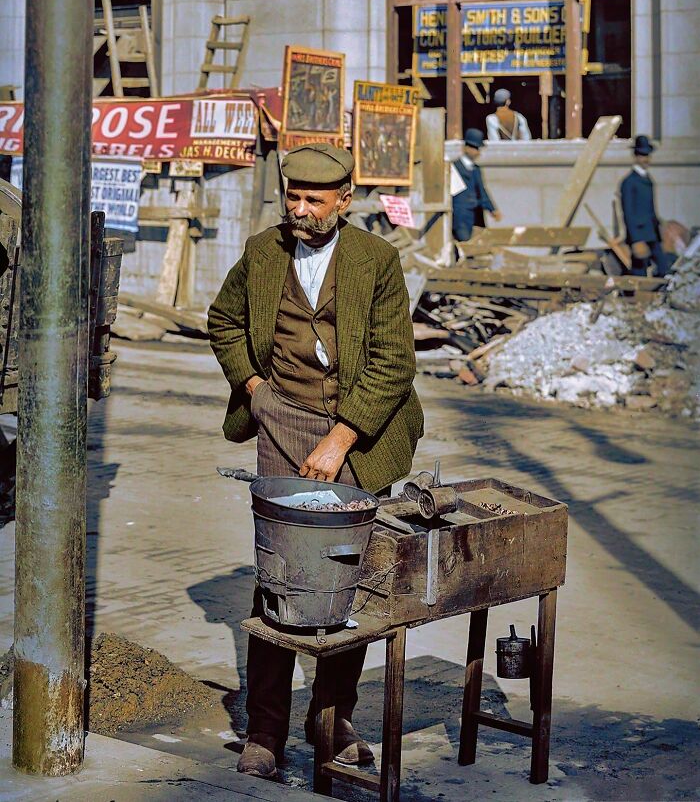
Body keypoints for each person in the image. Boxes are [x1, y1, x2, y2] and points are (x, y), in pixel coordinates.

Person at [208, 142, 424, 781]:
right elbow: (222, 321)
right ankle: (266, 731)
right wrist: (252, 385)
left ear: (344, 200)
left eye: (314, 201)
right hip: (280, 420)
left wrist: (342, 438)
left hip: (357, 429)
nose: (300, 211)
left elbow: (393, 363)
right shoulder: (261, 251)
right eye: (292, 198)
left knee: (344, 582)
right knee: (278, 580)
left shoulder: (377, 262)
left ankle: (332, 721)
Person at [620, 135, 671, 277]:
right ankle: (637, 298)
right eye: (642, 155)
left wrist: (659, 225)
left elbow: (650, 208)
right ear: (636, 156)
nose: (646, 159)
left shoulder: (647, 179)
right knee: (639, 270)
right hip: (639, 233)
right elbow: (627, 213)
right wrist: (635, 240)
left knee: (663, 267)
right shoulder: (629, 182)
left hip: (652, 232)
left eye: (647, 155)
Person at [451, 128, 502, 242]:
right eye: (475, 148)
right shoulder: (454, 167)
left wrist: (492, 209)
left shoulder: (476, 169)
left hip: (475, 216)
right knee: (464, 243)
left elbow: (482, 191)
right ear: (466, 148)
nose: (477, 152)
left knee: (477, 243)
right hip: (460, 216)